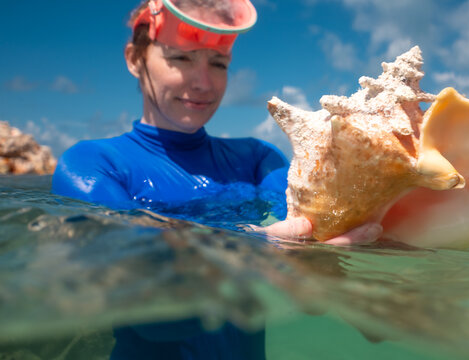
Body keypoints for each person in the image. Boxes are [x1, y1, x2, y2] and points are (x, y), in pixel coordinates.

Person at [52, 0, 382, 358]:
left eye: (218, 63)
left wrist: (327, 273)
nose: (203, 83)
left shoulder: (258, 159)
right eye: (181, 58)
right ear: (135, 59)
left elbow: (306, 233)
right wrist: (248, 253)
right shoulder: (91, 165)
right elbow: (155, 318)